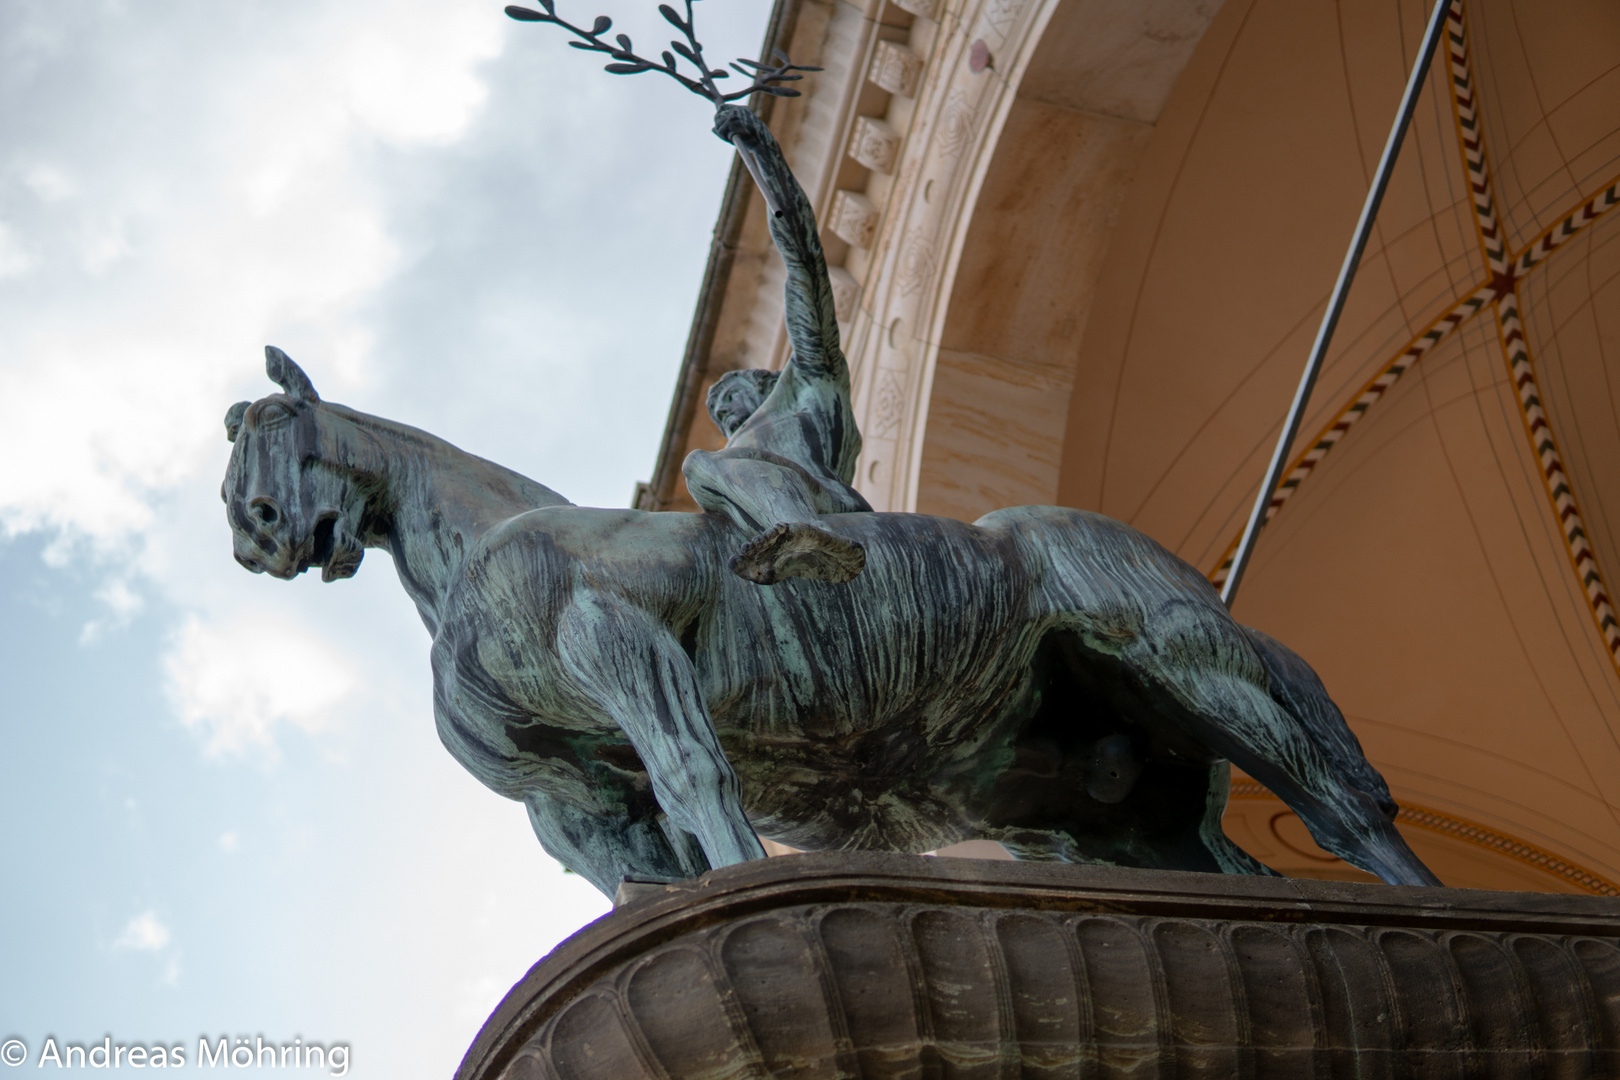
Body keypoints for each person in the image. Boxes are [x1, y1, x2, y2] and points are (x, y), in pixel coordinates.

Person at [681, 104, 871, 585]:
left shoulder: (811, 381)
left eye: (729, 396)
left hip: (828, 509)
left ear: (766, 383)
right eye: (718, 413)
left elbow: (805, 266)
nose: (724, 415)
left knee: (700, 463)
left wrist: (764, 155)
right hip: (763, 540)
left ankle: (805, 533)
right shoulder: (736, 474)